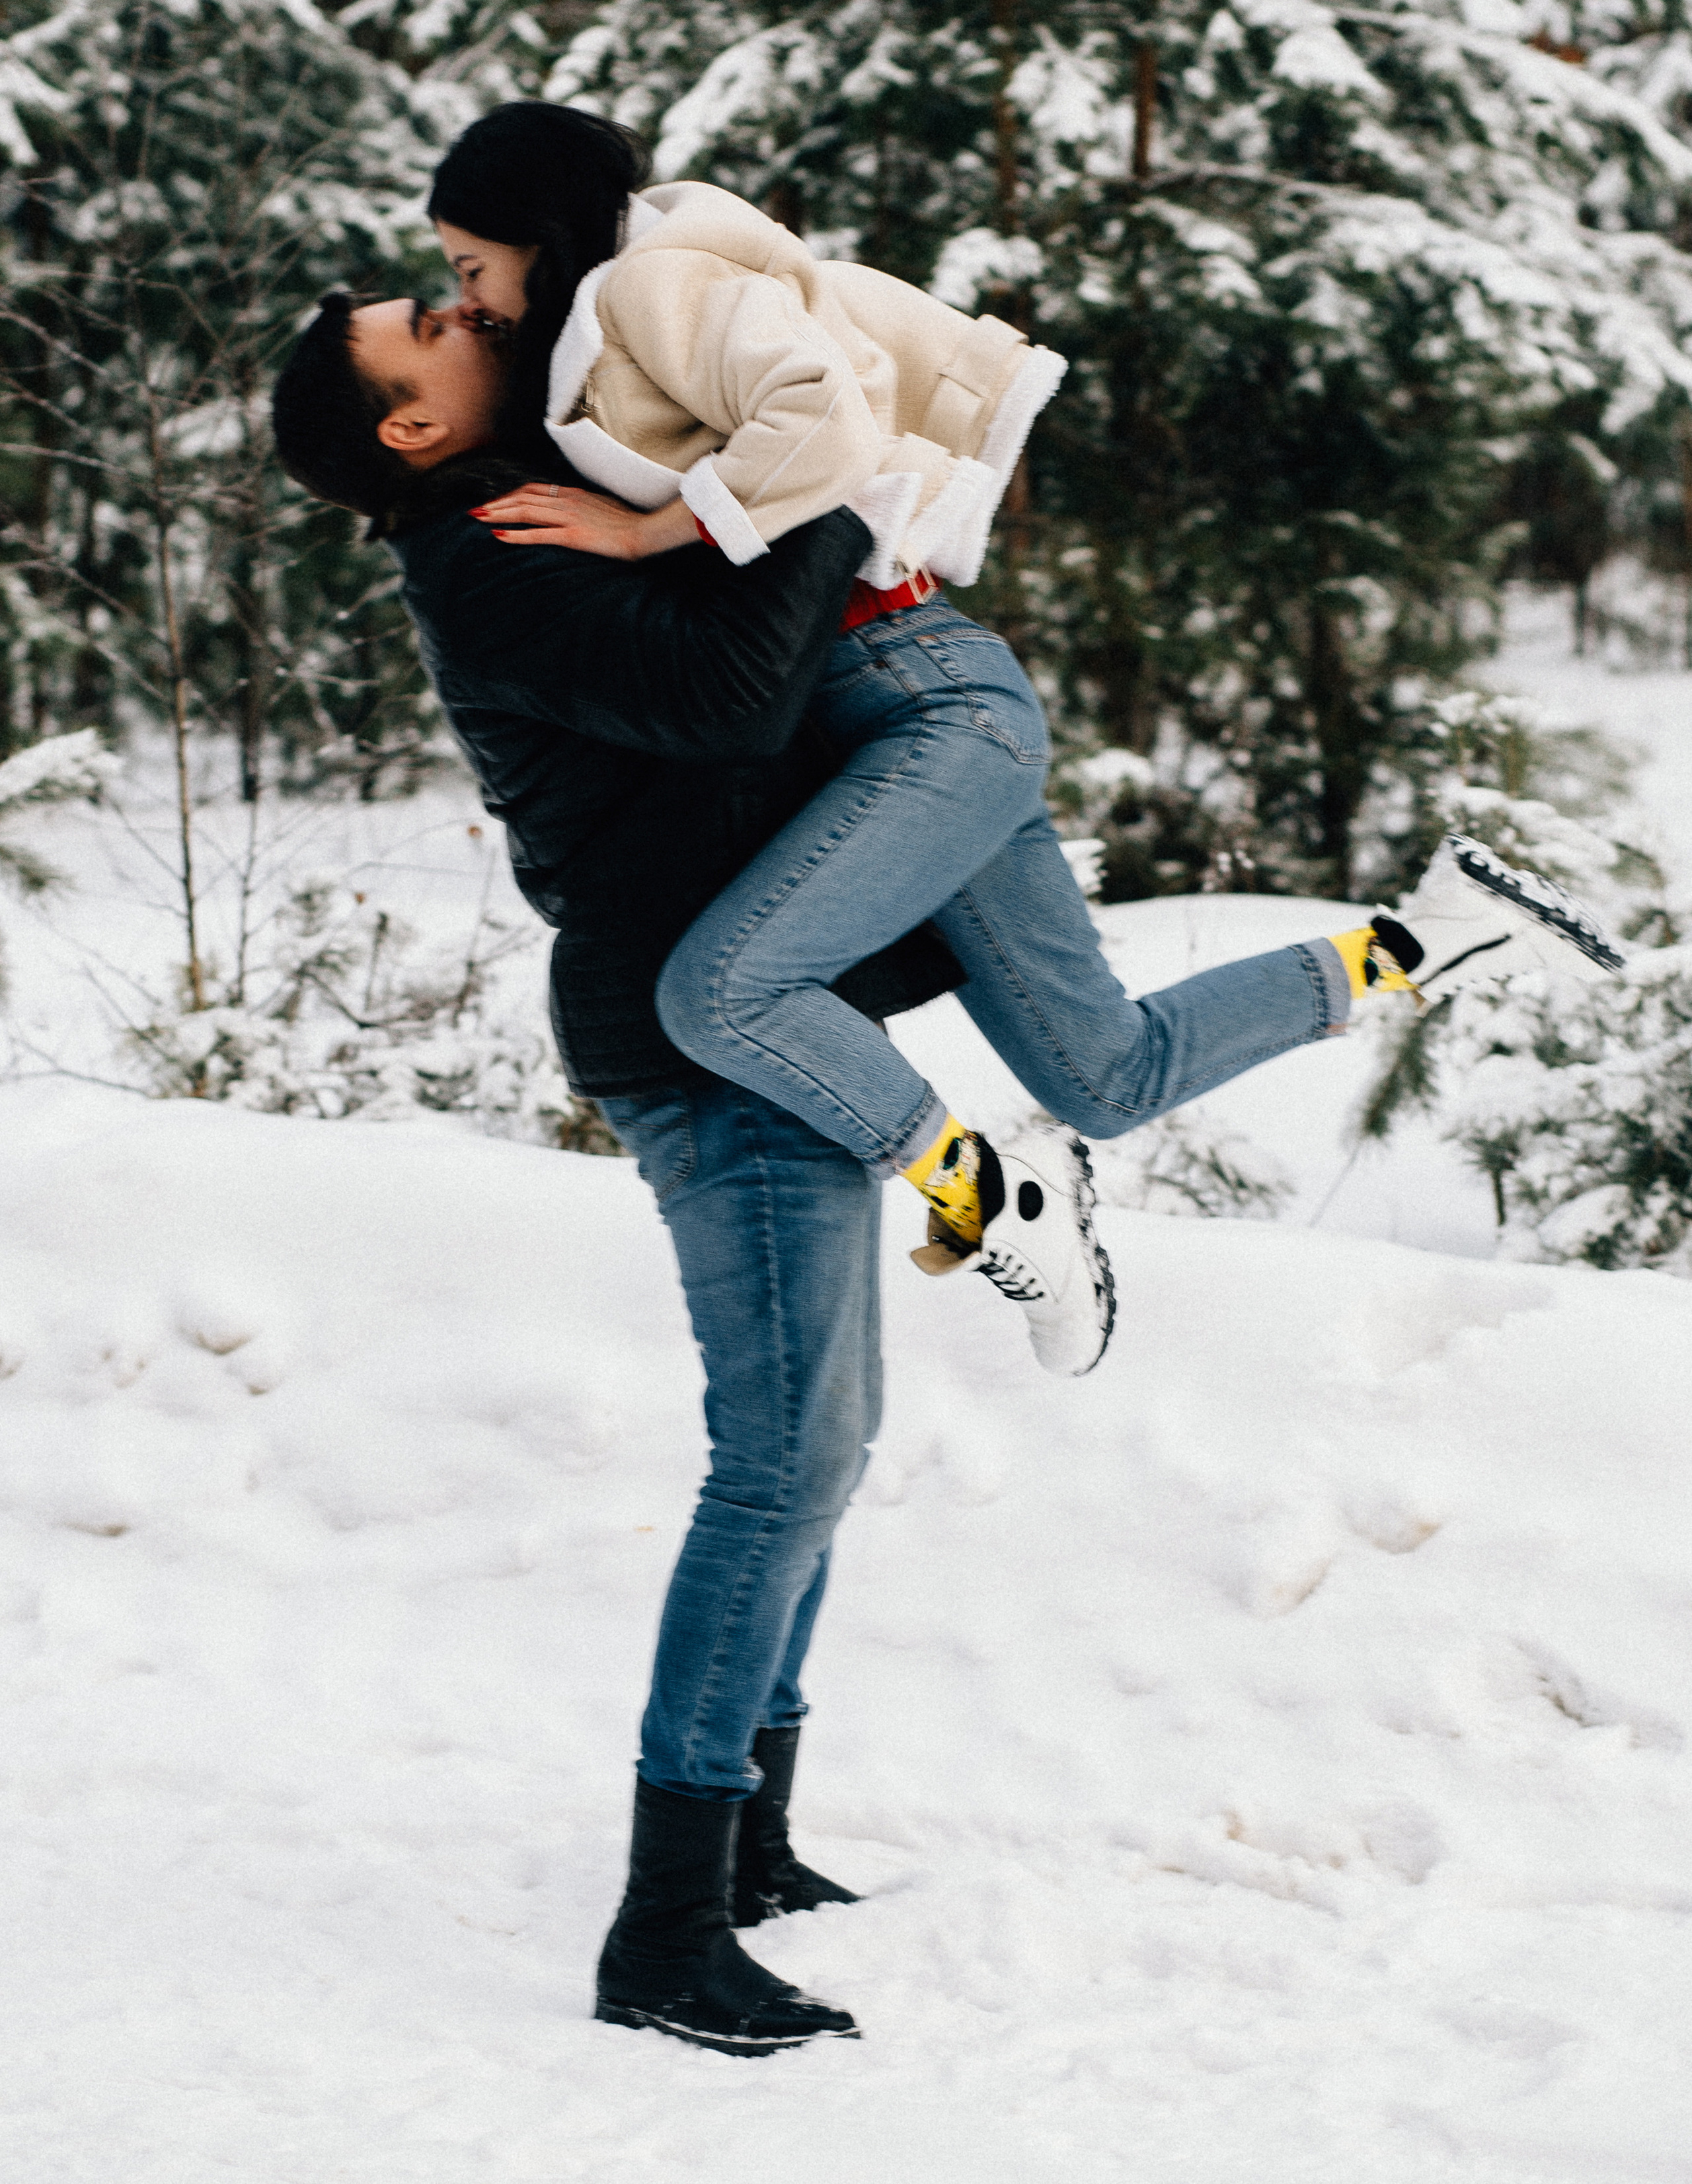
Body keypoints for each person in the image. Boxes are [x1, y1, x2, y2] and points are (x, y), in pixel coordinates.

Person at [270, 124, 1627, 2062]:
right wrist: (831, 491)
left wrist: (766, 476)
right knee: (781, 1467)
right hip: (691, 1037)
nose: (466, 312)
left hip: (755, 1006)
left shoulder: (555, 476)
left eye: (459, 286)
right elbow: (730, 697)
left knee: (817, 1451)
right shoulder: (490, 554)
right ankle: (665, 1927)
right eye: (432, 322)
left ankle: (751, 1848)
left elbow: (723, 571)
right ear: (408, 428)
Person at [422, 102, 1631, 1380]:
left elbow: (823, 420)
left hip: (916, 693)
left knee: (722, 995)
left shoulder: (649, 284)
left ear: (542, 231)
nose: (470, 298)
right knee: (1106, 1075)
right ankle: (1434, 937)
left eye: (471, 266)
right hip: (904, 713)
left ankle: (996, 1200)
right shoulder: (609, 316)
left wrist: (647, 533)